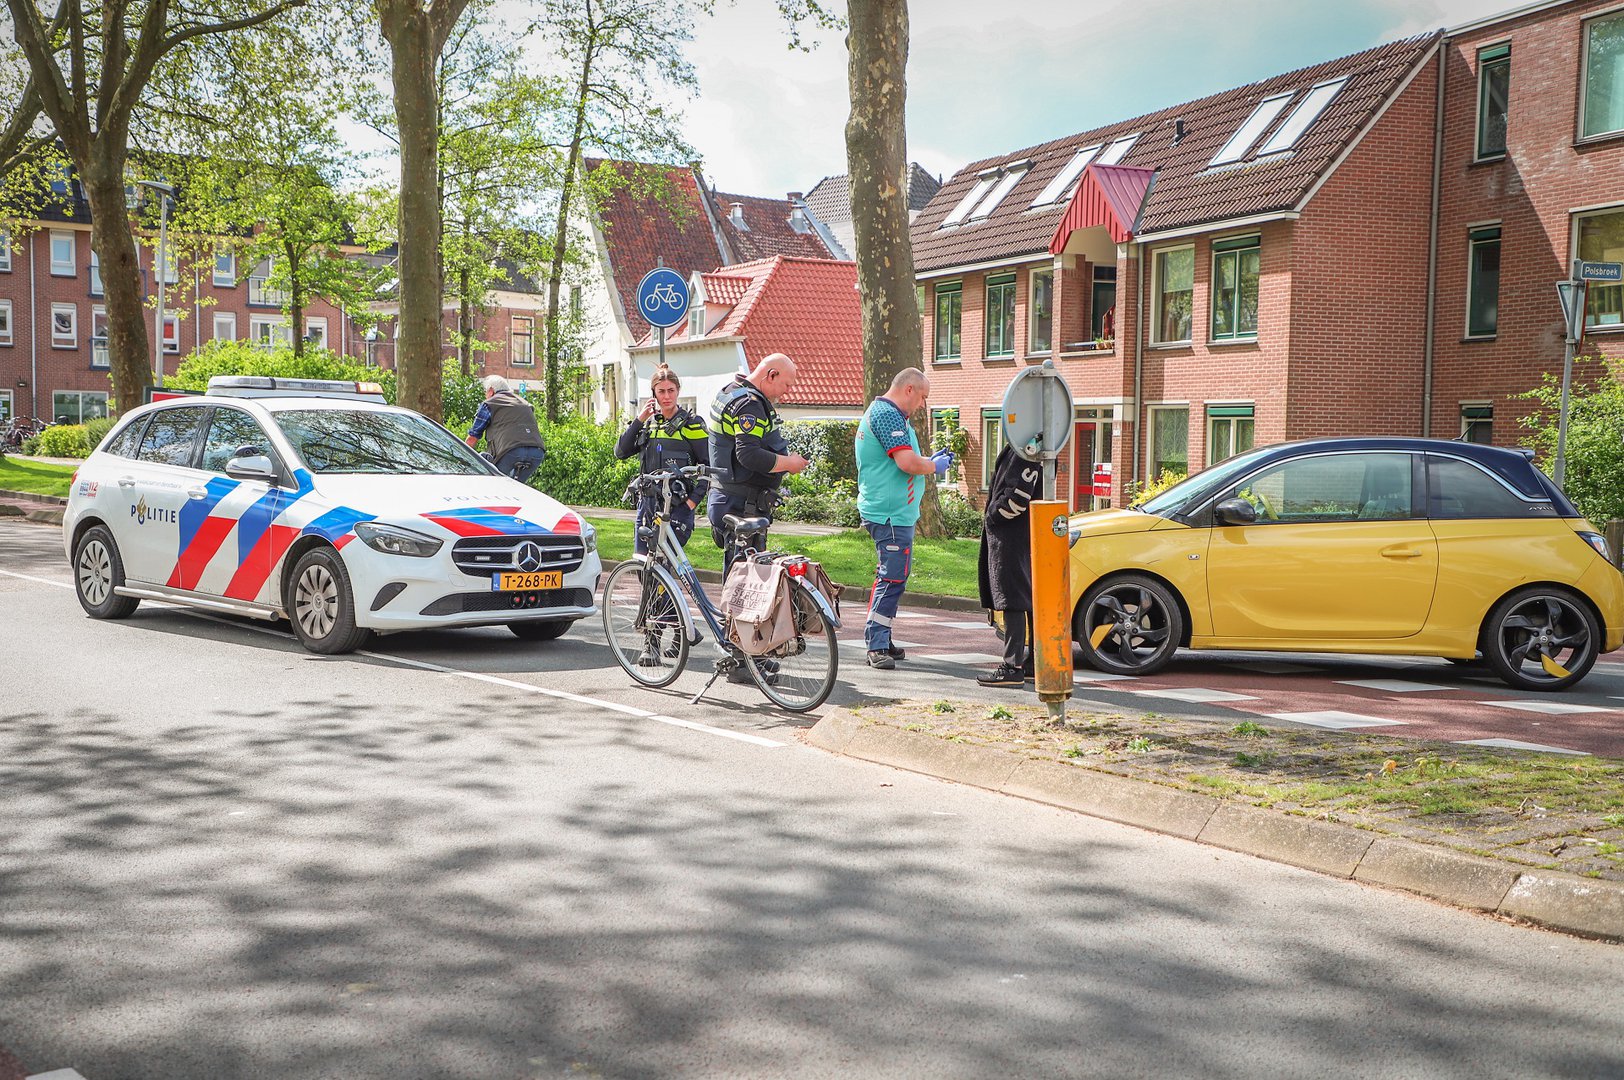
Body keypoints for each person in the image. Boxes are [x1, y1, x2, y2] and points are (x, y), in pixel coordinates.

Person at [854, 367, 953, 670]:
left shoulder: (892, 415)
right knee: (892, 576)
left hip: (893, 512)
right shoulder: (887, 415)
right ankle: (876, 643)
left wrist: (930, 461)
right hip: (889, 514)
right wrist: (933, 467)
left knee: (894, 575)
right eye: (922, 397)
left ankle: (882, 634)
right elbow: (907, 463)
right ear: (909, 389)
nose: (922, 404)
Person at [707, 353, 810, 578]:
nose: (787, 392)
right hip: (742, 504)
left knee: (740, 575)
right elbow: (749, 455)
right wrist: (789, 463)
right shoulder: (749, 405)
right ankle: (731, 615)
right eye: (786, 384)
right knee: (743, 582)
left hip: (729, 497)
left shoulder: (730, 392)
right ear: (771, 375)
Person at [614, 365, 709, 554]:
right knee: (644, 568)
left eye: (671, 391)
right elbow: (621, 451)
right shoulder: (649, 425)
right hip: (647, 505)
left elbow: (707, 468)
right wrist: (640, 419)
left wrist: (690, 505)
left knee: (664, 568)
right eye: (661, 391)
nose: (667, 396)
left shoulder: (692, 424)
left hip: (676, 506)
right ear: (654, 394)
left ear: (678, 391)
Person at [976, 443, 1044, 688]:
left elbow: (1019, 494)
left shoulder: (1026, 449)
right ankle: (1034, 663)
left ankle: (1012, 666)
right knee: (1026, 596)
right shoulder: (1038, 447)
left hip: (1011, 536)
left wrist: (994, 515)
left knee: (1012, 597)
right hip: (1024, 534)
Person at [465, 375, 546, 482]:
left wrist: (460, 456)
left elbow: (472, 438)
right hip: (536, 451)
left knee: (495, 484)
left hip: (510, 450)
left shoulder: (489, 404)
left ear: (490, 391)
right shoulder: (524, 403)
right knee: (516, 488)